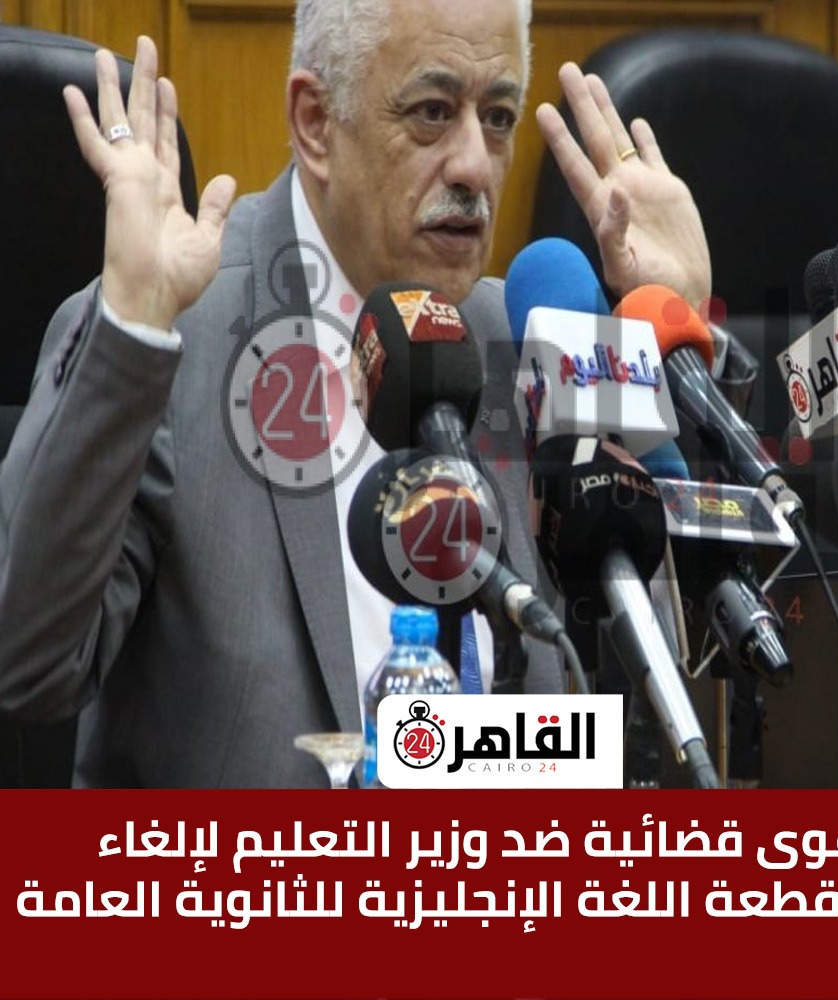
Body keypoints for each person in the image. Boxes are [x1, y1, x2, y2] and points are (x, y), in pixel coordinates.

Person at [0, 0, 711, 787]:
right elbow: (28, 663)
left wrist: (671, 337)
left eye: (498, 118)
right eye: (433, 112)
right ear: (315, 122)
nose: (475, 167)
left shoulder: (530, 336)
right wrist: (130, 322)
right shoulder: (172, 339)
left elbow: (669, 689)